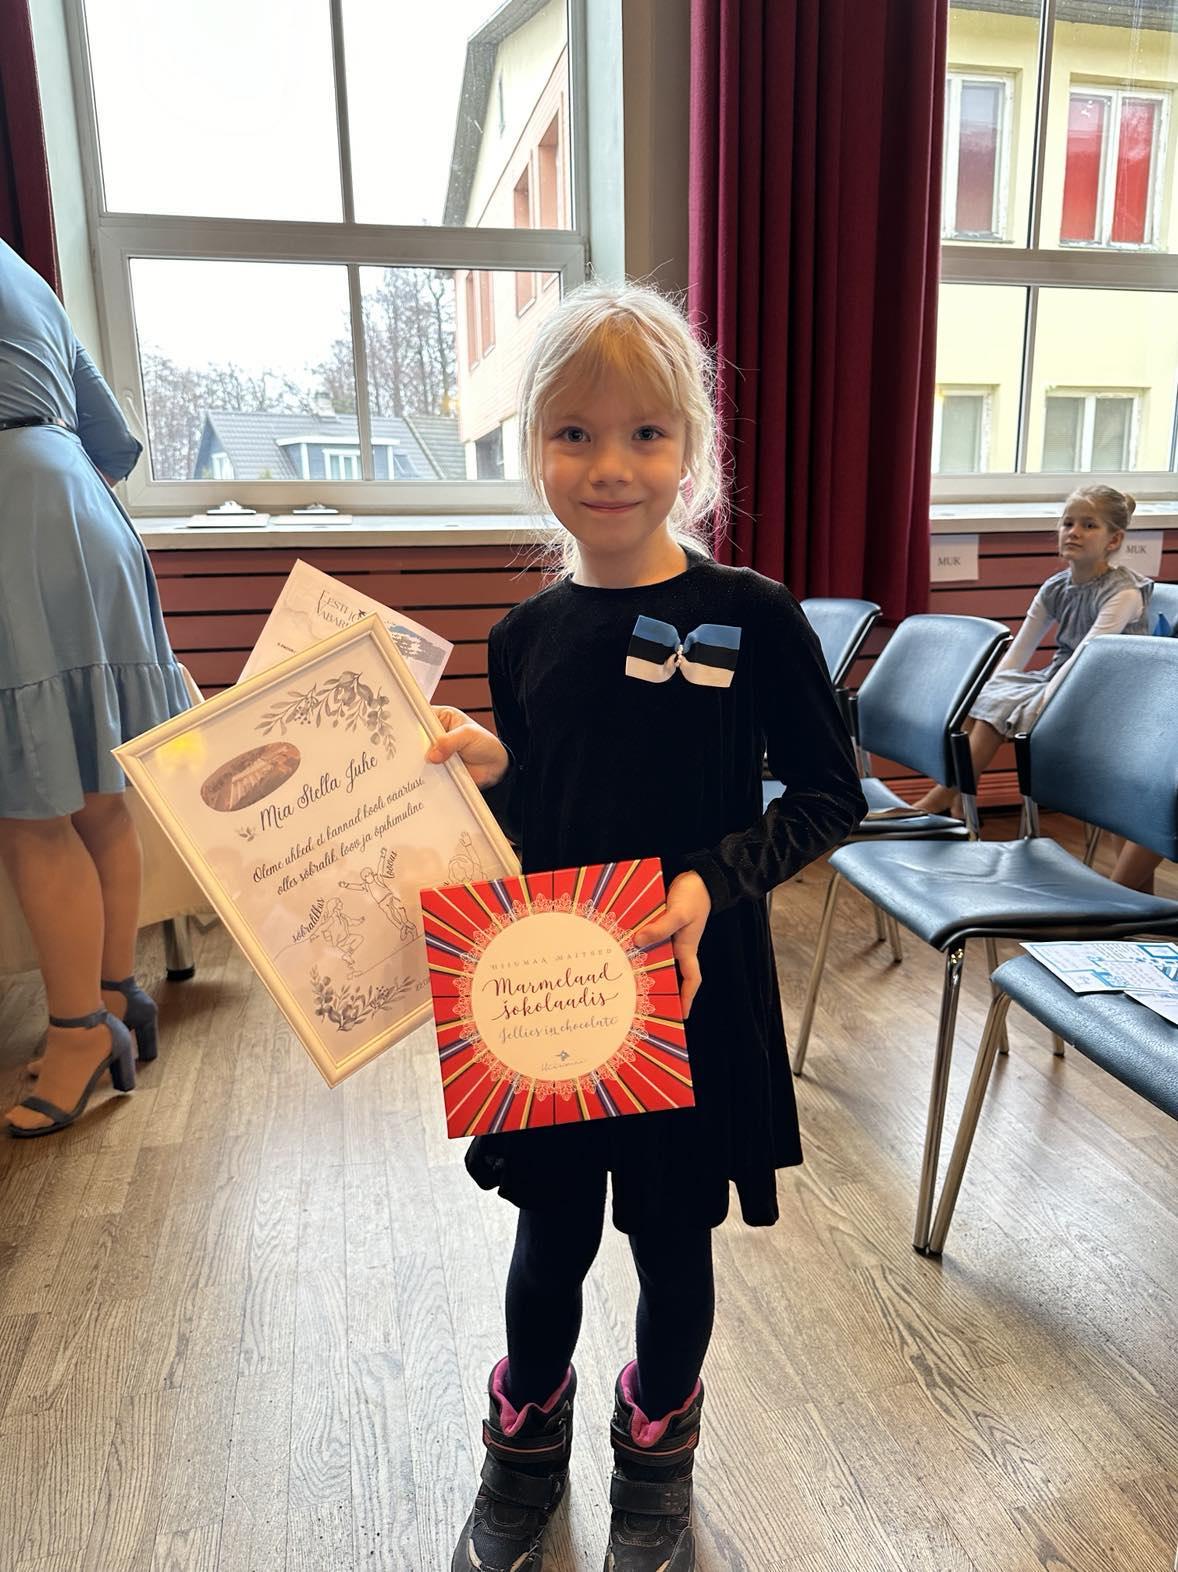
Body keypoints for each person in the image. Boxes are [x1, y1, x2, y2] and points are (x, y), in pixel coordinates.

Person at [424, 281, 866, 1572]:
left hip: (691, 988)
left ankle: (656, 1454)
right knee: (549, 1231)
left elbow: (827, 796)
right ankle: (522, 1445)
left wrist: (710, 880)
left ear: (692, 449)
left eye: (643, 434)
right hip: (552, 996)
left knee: (672, 1241)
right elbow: (547, 813)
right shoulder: (520, 634)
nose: (608, 465)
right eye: (572, 434)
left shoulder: (754, 614)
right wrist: (485, 774)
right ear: (533, 450)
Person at [1, 239, 189, 1137]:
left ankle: (78, 1031)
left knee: (31, 810)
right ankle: (116, 997)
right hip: (80, 504)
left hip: (12, 515)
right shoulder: (21, 271)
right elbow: (112, 441)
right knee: (99, 796)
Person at [873, 485, 1151, 819]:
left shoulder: (1123, 594)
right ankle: (960, 809)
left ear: (1114, 540)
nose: (1074, 532)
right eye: (1068, 523)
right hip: (1059, 676)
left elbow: (1085, 658)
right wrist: (990, 688)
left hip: (1105, 691)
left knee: (999, 711)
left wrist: (1044, 702)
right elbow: (1020, 649)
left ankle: (939, 801)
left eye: (1089, 525)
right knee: (979, 701)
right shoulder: (1056, 586)